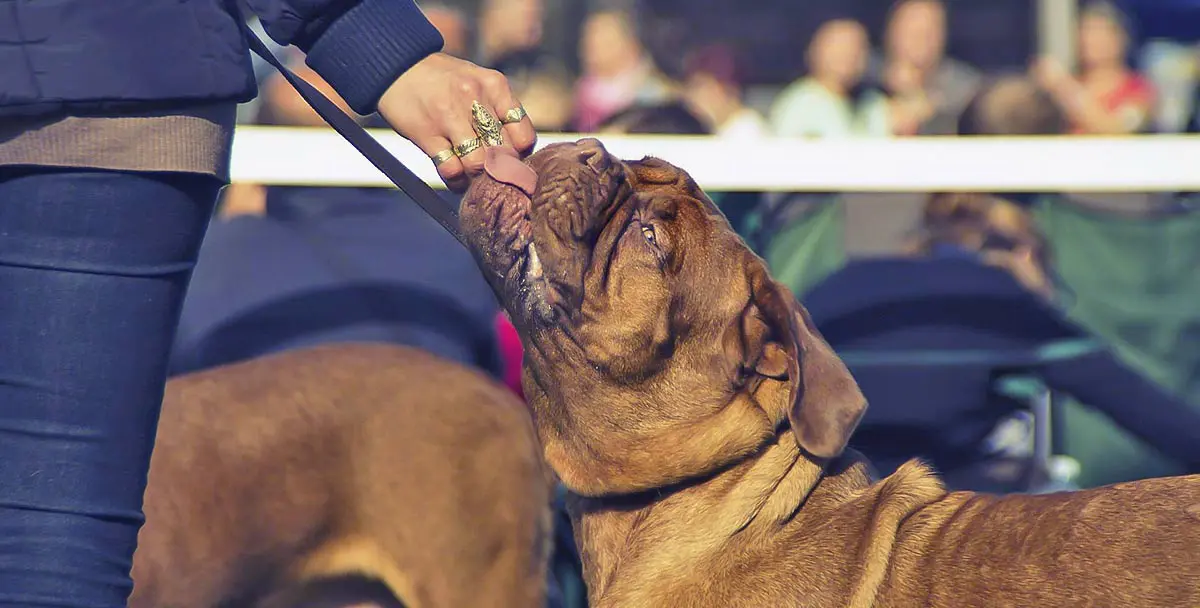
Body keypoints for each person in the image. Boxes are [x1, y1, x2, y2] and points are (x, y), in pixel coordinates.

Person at [0, 0, 536, 605]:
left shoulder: (233, 253)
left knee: (52, 533)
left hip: (107, 104)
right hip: (116, 80)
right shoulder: (438, 269)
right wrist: (368, 38)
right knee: (52, 533)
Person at [1031, 1, 1155, 135]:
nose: (1090, 40)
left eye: (1100, 31)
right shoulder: (1072, 82)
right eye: (1086, 31)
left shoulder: (1138, 90)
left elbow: (1117, 129)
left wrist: (1064, 87)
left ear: (1121, 38)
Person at [768, 18, 892, 138]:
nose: (849, 56)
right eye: (840, 48)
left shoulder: (871, 103)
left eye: (857, 48)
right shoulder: (799, 105)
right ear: (815, 51)